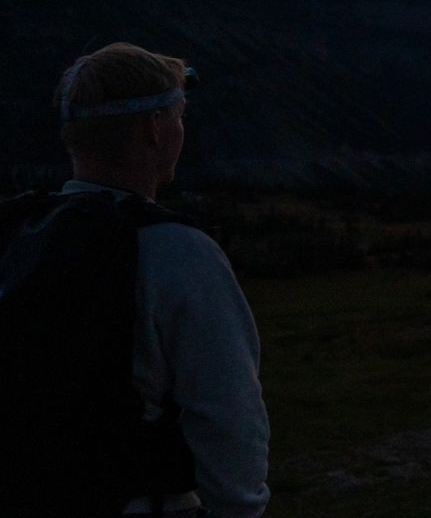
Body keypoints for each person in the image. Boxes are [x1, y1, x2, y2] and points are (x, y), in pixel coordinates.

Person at [0, 43, 270, 517]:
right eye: (178, 116)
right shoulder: (178, 251)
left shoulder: (14, 234)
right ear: (153, 129)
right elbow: (228, 417)